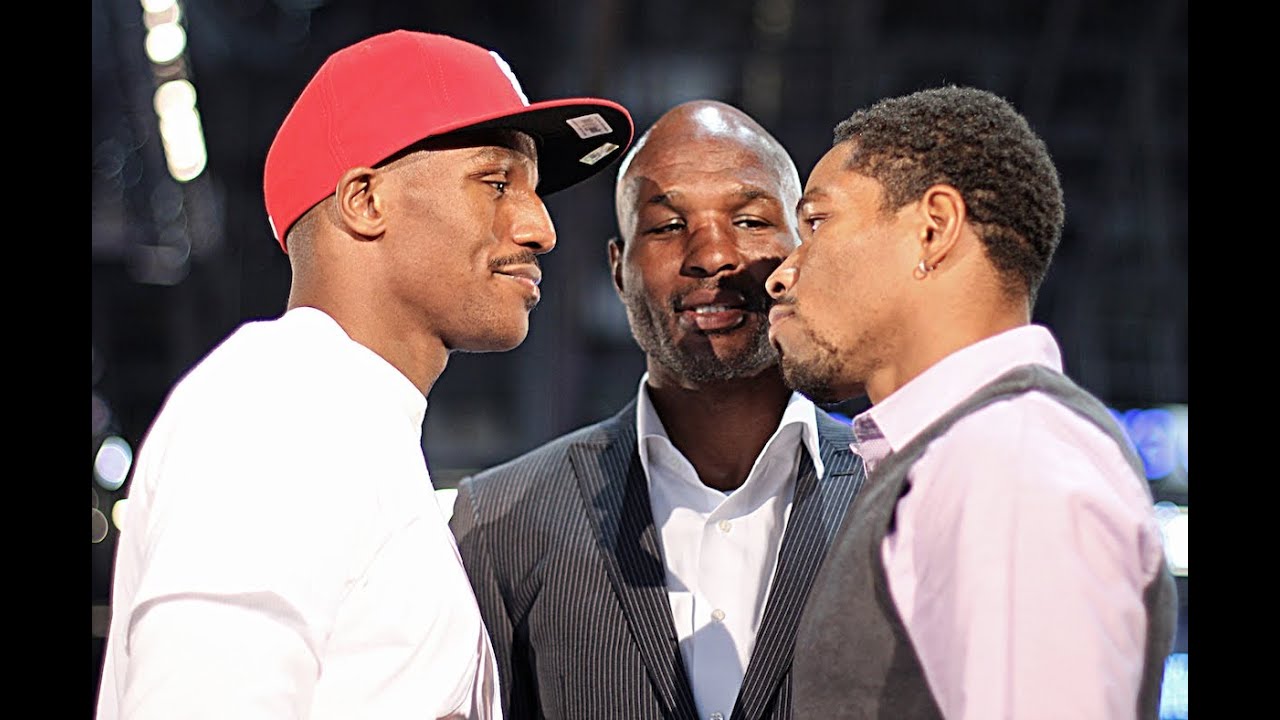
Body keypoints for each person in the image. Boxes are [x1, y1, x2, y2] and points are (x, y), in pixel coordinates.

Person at [95, 29, 634, 720]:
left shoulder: (349, 420)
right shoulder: (278, 408)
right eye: (497, 182)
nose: (540, 227)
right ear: (365, 201)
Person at [764, 85, 1177, 719]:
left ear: (933, 229)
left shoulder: (1005, 458)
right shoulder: (971, 454)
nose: (783, 272)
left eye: (817, 222)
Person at [448, 100, 867, 720]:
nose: (712, 255)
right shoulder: (500, 521)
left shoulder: (902, 495)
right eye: (669, 227)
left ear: (802, 252)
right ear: (619, 272)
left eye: (749, 221)